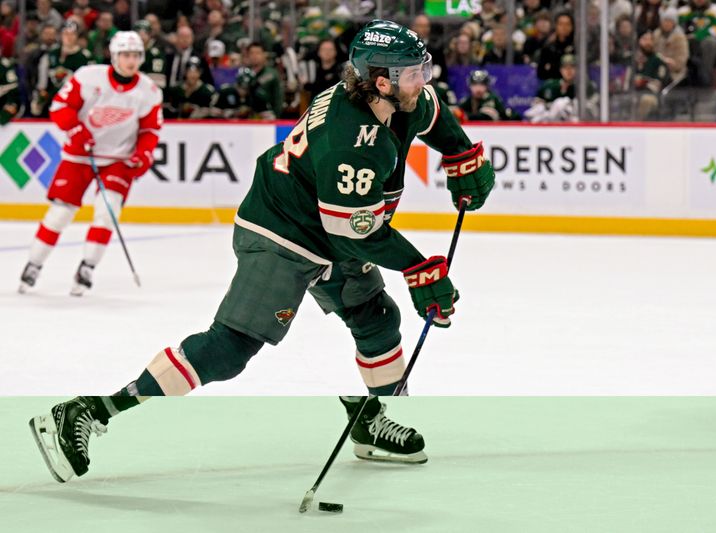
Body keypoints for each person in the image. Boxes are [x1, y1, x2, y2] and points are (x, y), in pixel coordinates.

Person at [29, 19, 495, 483]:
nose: (425, 81)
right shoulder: (350, 142)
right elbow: (352, 231)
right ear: (381, 81)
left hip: (329, 224)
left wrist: (459, 154)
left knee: (376, 317)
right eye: (414, 73)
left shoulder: (394, 96)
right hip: (282, 233)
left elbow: (431, 114)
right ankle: (90, 411)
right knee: (229, 349)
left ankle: (372, 421)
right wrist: (419, 269)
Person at [19, 31, 162, 296]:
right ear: (114, 55)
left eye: (135, 55)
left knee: (107, 212)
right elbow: (60, 107)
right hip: (79, 156)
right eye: (126, 55)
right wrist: (76, 130)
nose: (131, 61)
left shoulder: (149, 92)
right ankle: (34, 263)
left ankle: (87, 267)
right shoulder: (88, 76)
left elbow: (150, 131)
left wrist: (143, 155)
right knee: (60, 214)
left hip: (118, 160)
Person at [32, 20, 93, 118]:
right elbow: (42, 84)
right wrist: (39, 99)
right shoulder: (50, 55)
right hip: (52, 104)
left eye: (72, 34)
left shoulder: (85, 57)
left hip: (75, 105)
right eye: (66, 34)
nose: (69, 37)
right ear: (60, 35)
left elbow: (90, 85)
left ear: (77, 36)